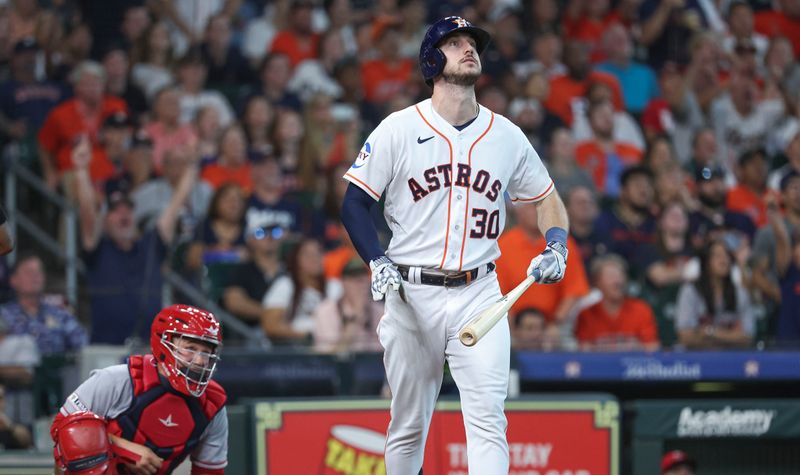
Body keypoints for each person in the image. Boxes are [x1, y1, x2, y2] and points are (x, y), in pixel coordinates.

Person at [340, 16, 570, 473]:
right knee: (407, 425)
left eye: (472, 43)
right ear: (430, 59)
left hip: (480, 293)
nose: (468, 48)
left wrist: (557, 243)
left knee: (488, 420)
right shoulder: (398, 128)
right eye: (455, 42)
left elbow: (548, 200)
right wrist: (375, 259)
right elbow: (353, 204)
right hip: (410, 292)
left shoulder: (505, 134)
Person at [51, 304, 228, 475]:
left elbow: (210, 471)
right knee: (78, 440)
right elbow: (61, 428)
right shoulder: (116, 380)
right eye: (190, 348)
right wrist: (124, 450)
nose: (199, 361)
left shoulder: (212, 405)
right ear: (164, 343)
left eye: (206, 352)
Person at [0, 252, 88, 355]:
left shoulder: (60, 314)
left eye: (39, 272)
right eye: (29, 272)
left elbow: (83, 346)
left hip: (58, 370)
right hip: (17, 370)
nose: (35, 277)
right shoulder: (3, 315)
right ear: (13, 280)